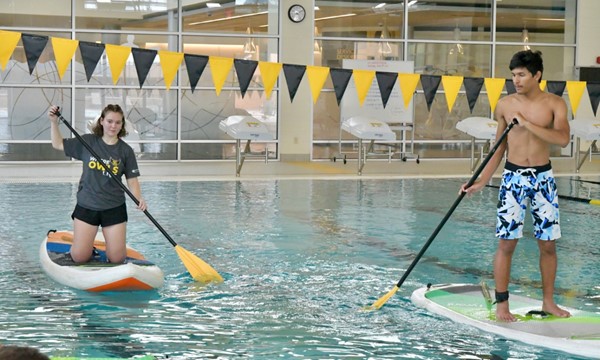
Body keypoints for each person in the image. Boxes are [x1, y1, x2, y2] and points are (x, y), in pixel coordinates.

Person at [459, 50, 571, 322]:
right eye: (513, 75)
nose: (516, 80)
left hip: (543, 178)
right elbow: (498, 148)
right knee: (506, 244)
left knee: (548, 245)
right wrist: (482, 181)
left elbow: (563, 139)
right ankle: (502, 305)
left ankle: (548, 302)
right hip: (513, 178)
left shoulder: (555, 104)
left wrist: (529, 124)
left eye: (521, 75)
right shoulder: (505, 105)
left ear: (537, 75)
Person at [49, 104, 147, 264]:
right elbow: (58, 144)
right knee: (80, 257)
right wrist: (54, 122)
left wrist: (139, 198)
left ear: (122, 125)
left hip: (114, 208)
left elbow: (132, 179)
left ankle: (100, 247)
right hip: (87, 206)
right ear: (102, 121)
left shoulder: (126, 151)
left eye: (117, 122)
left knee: (117, 259)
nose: (113, 126)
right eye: (109, 121)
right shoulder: (87, 142)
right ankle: (87, 248)